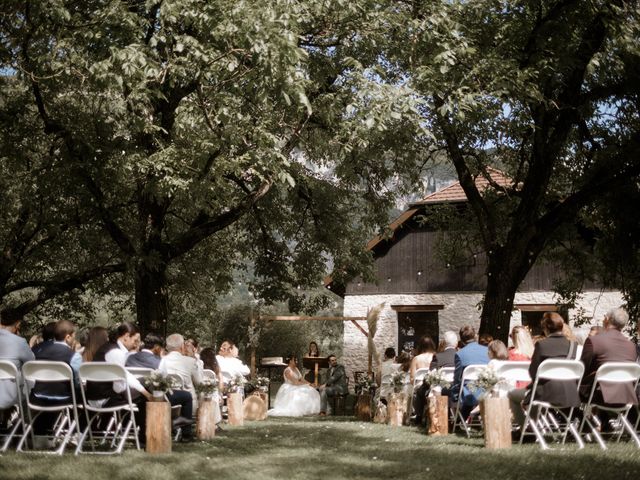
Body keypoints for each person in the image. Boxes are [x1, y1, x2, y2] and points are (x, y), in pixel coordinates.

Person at [508, 312, 581, 430]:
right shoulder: (573, 345)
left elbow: (533, 372)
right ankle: (531, 430)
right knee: (534, 394)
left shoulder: (542, 345)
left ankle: (525, 429)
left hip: (546, 394)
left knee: (512, 395)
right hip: (570, 392)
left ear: (546, 328)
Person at [88, 322, 152, 445]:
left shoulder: (108, 348)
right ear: (126, 336)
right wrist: (145, 393)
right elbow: (120, 385)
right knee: (144, 394)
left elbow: (123, 376)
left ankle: (142, 436)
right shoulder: (116, 353)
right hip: (104, 399)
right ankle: (144, 438)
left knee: (143, 390)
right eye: (136, 340)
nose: (137, 343)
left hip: (95, 396)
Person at [30, 320, 83, 436]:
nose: (74, 338)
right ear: (68, 337)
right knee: (83, 394)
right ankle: (78, 433)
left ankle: (40, 434)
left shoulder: (37, 351)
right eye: (74, 336)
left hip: (37, 396)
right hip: (63, 397)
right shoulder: (74, 356)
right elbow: (77, 382)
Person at [580, 308, 637, 412]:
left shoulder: (594, 341)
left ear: (607, 319)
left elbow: (582, 369)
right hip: (626, 395)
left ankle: (577, 421)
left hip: (599, 395)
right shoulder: (632, 346)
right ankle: (603, 423)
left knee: (569, 388)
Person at [449, 325, 489, 420]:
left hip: (470, 392)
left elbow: (458, 379)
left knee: (467, 386)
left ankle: (461, 420)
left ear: (461, 339)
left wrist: (454, 394)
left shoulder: (460, 354)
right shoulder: (487, 351)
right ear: (475, 336)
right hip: (487, 390)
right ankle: (466, 418)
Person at [159, 333, 203, 414]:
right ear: (182, 346)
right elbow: (200, 384)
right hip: (188, 405)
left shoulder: (162, 361)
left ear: (167, 347)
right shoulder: (190, 361)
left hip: (166, 402)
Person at [0, 315, 35, 415]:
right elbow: (31, 365)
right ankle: (25, 424)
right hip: (9, 396)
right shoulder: (19, 342)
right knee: (28, 382)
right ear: (17, 325)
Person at [410, 336, 436, 426]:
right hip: (433, 384)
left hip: (420, 385)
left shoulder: (416, 359)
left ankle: (419, 414)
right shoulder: (435, 357)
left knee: (416, 390)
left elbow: (412, 378)